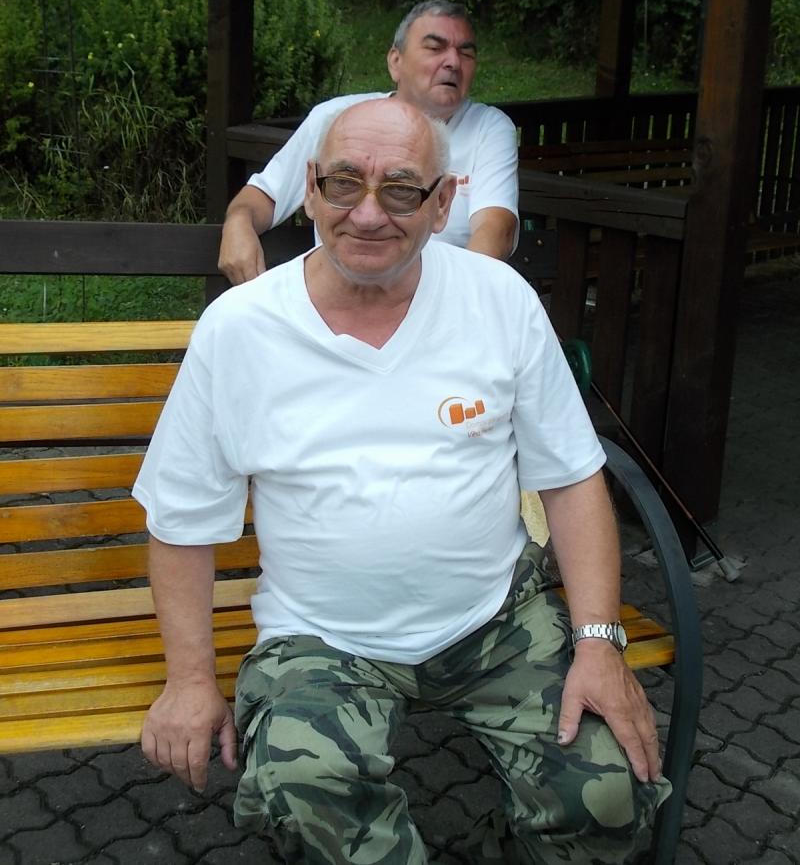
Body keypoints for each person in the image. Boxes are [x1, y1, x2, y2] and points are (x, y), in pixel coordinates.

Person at [136, 98, 670, 864]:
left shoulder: (499, 301)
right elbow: (182, 516)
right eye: (344, 183)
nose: (367, 213)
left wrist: (598, 643)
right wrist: (190, 679)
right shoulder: (240, 329)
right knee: (306, 786)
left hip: (498, 622)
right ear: (310, 189)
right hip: (323, 641)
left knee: (610, 793)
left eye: (400, 189)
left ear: (443, 201)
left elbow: (572, 479)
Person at [218, 0, 520, 284]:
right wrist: (238, 223)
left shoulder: (489, 128)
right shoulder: (337, 118)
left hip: (444, 297)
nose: (453, 62)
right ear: (395, 62)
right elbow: (264, 196)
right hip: (338, 298)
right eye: (434, 48)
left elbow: (496, 228)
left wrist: (455, 300)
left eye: (466, 52)